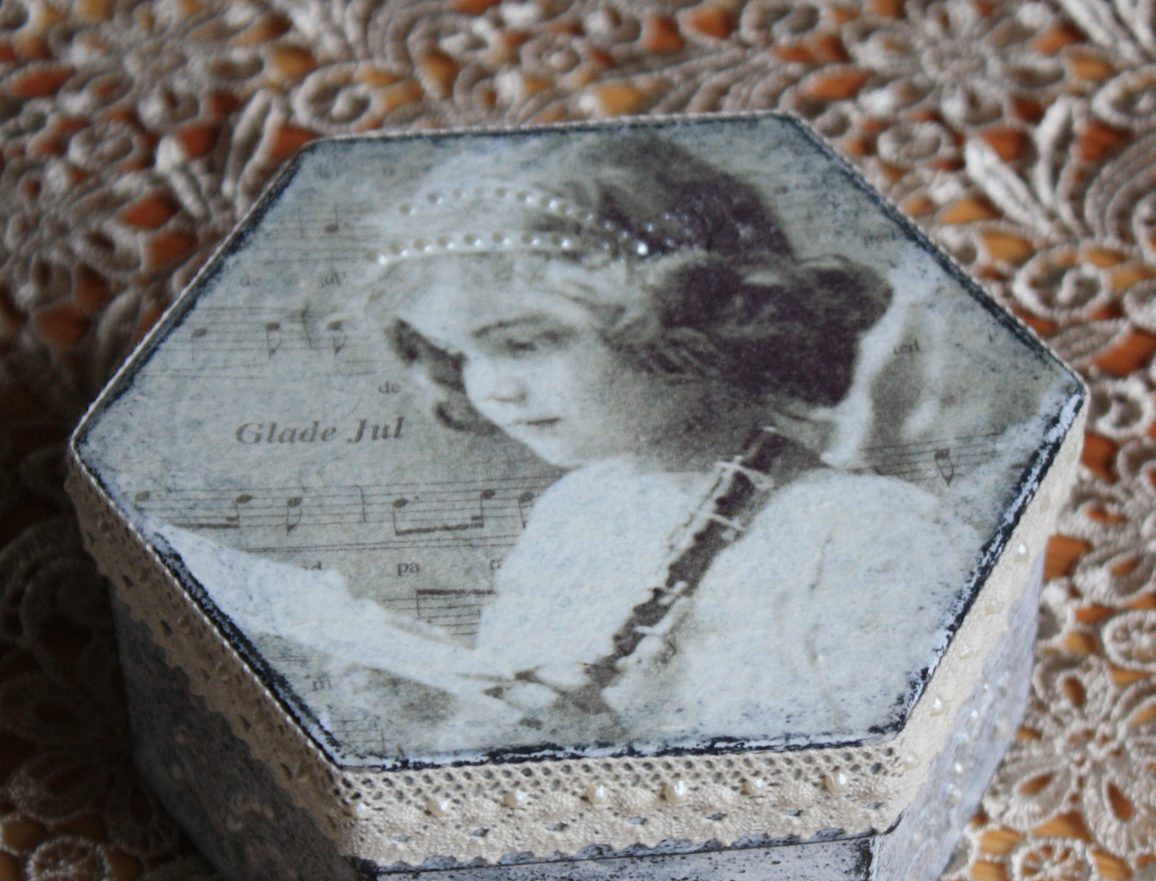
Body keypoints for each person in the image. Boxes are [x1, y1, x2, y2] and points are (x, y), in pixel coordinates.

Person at [166, 133, 983, 755]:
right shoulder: (577, 511)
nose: (491, 389)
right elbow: (538, 727)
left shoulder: (864, 535)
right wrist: (446, 717)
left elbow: (828, 797)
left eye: (525, 343)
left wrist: (604, 751)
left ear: (685, 320)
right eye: (459, 353)